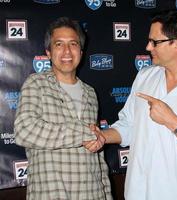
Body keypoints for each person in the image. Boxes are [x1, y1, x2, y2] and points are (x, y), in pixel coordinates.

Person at [84, 10, 177, 200]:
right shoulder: (146, 76)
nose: (148, 47)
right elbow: (129, 125)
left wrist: (172, 122)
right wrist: (103, 136)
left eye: (155, 42)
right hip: (137, 193)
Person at [14, 17, 112, 200]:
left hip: (92, 194)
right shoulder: (36, 84)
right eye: (59, 44)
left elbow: (99, 158)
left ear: (81, 52)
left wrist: (106, 194)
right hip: (52, 194)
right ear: (49, 53)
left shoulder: (90, 93)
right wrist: (82, 133)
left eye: (73, 44)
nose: (67, 51)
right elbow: (24, 130)